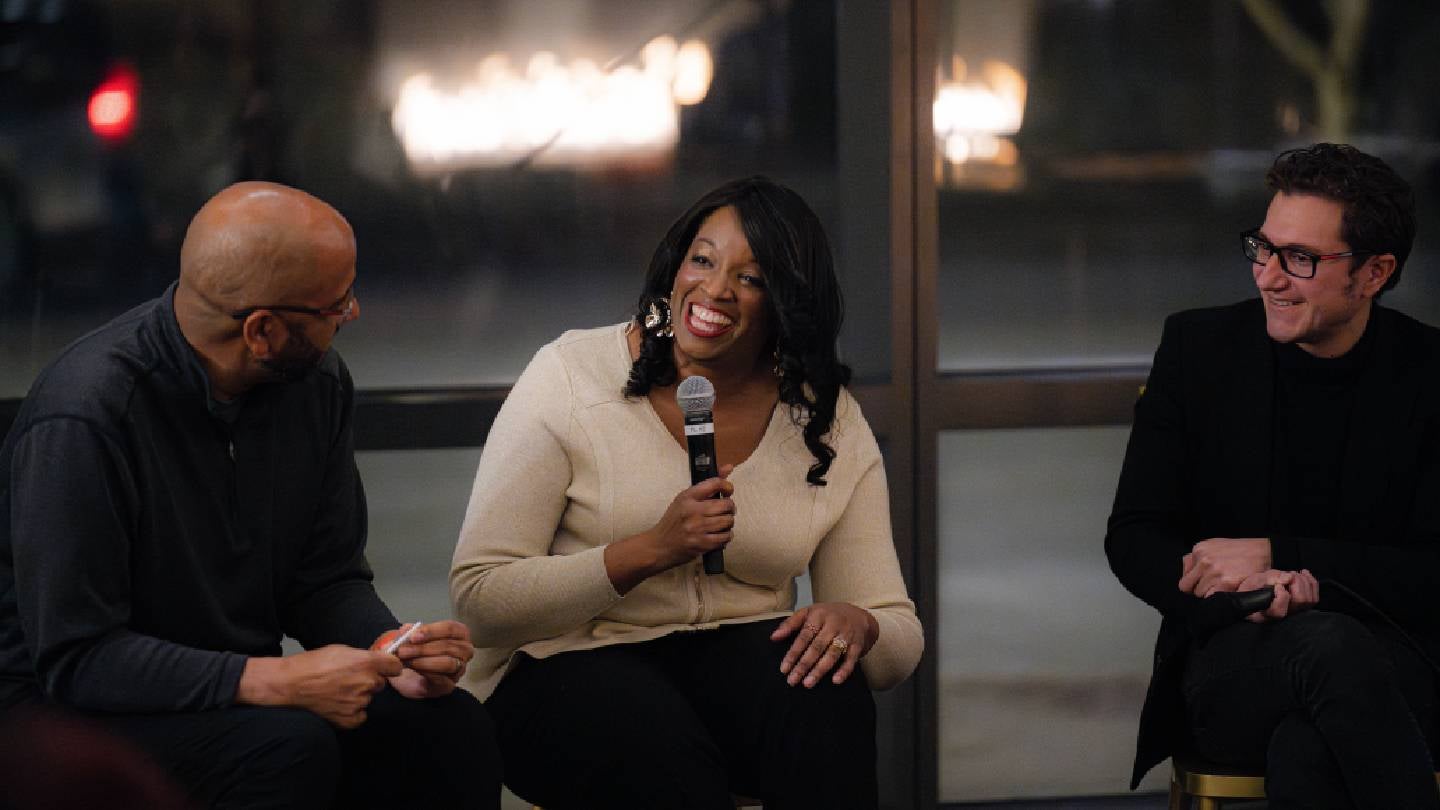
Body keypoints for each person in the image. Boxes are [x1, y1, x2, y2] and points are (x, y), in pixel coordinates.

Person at [0, 181, 501, 809]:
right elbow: (79, 657)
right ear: (262, 331)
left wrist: (391, 650)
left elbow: (324, 581)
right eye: (337, 304)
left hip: (227, 684)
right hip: (65, 712)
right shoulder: (87, 414)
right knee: (286, 749)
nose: (353, 314)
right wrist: (273, 679)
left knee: (448, 729)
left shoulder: (314, 383)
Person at [451, 176, 923, 809]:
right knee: (653, 743)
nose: (715, 289)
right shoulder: (571, 375)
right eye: (702, 260)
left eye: (750, 278)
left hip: (732, 662)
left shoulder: (822, 419)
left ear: (786, 302)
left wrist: (858, 624)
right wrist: (649, 550)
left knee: (825, 697)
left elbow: (896, 636)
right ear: (676, 266)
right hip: (562, 667)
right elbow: (481, 600)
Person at [1106, 143, 1440, 808]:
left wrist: (1284, 556)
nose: (1268, 277)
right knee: (1328, 652)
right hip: (1235, 660)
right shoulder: (1199, 350)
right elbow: (1135, 536)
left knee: (1308, 751)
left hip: (1399, 664)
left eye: (1300, 258)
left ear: (1374, 273)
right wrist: (1240, 590)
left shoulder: (1429, 373)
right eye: (1263, 248)